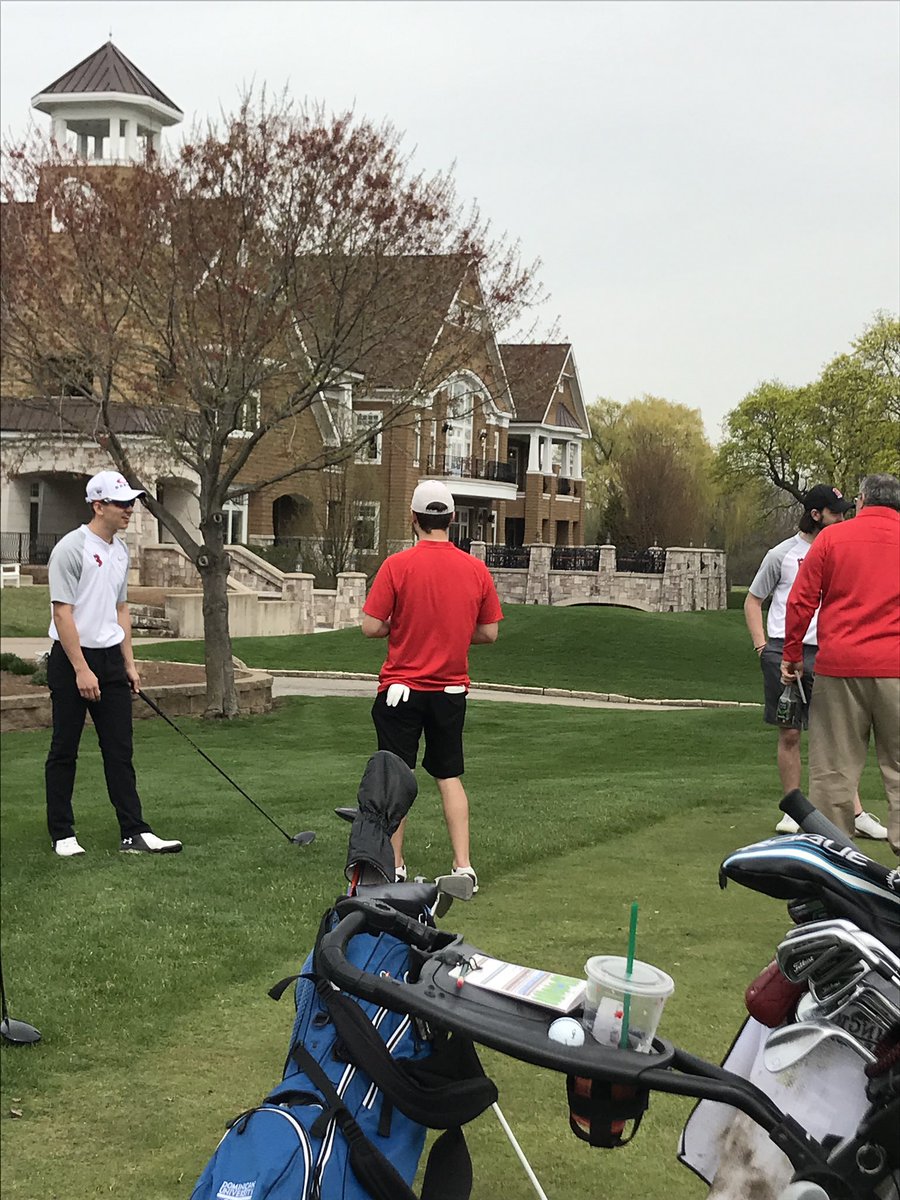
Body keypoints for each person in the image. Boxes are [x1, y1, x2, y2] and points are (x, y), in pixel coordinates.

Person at [361, 480, 503, 892]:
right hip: (450, 691)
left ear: (414, 519)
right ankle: (463, 867)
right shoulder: (475, 568)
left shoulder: (398, 565)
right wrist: (456, 633)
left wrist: (401, 626)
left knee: (396, 776)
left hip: (401, 689)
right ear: (452, 519)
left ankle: (395, 865)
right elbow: (490, 632)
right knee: (449, 774)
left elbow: (371, 626)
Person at [45, 471, 182, 857]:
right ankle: (62, 834)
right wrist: (81, 669)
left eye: (131, 502)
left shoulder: (119, 550)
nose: (129, 510)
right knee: (64, 749)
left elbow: (121, 609)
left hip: (109, 659)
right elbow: (62, 614)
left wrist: (129, 663)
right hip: (72, 659)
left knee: (120, 750)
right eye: (122, 503)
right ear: (98, 505)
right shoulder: (71, 548)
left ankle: (134, 831)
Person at [744, 484, 887, 839]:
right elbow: (753, 600)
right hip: (784, 650)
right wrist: (763, 647)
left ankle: (854, 813)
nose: (843, 517)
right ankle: (795, 809)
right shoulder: (781, 554)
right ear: (815, 515)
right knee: (791, 732)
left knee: (839, 736)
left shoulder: (842, 547)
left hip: (827, 651)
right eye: (836, 512)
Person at [783, 474, 900, 854]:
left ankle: (834, 861)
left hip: (840, 667)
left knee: (834, 769)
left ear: (863, 500)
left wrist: (792, 654)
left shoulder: (832, 538)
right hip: (896, 668)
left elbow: (801, 600)